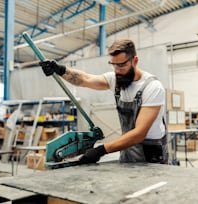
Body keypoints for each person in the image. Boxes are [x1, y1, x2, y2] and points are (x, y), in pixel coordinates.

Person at [39, 39, 168, 165]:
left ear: (135, 61)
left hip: (151, 155)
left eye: (122, 65)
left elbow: (139, 133)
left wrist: (101, 150)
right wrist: (60, 70)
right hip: (127, 150)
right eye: (114, 65)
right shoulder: (116, 79)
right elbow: (85, 79)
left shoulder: (152, 87)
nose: (117, 70)